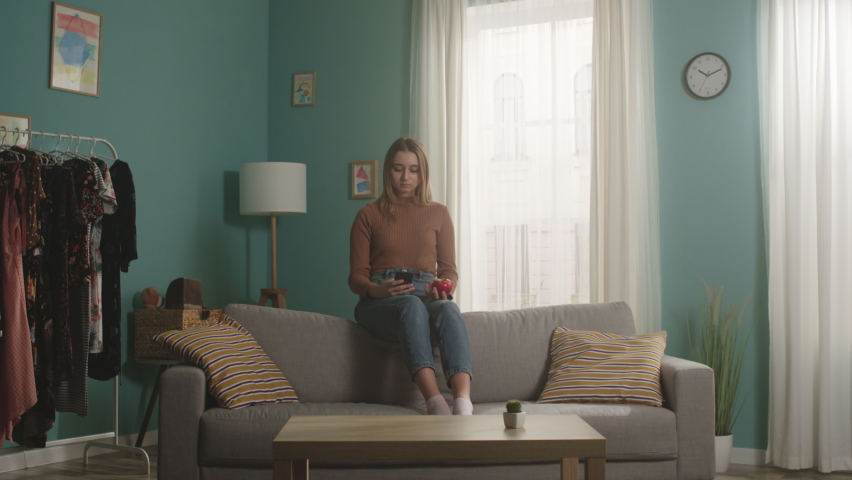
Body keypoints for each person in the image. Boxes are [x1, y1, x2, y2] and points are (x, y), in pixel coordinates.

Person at [348, 137, 472, 416]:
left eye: (414, 170)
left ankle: (463, 403)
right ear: (387, 171)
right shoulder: (368, 215)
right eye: (398, 169)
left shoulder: (439, 213)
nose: (406, 177)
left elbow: (449, 270)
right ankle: (435, 402)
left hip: (425, 292)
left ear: (423, 173)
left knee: (449, 309)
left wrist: (443, 288)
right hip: (380, 298)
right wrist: (376, 290)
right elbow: (356, 277)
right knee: (410, 305)